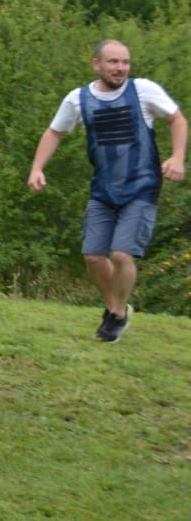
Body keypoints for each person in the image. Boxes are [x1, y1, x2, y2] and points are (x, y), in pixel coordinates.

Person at [27, 39, 186, 342]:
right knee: (93, 256)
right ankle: (118, 309)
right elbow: (54, 132)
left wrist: (177, 157)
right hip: (103, 189)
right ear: (96, 64)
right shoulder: (78, 99)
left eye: (125, 62)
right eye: (113, 62)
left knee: (123, 253)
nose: (120, 68)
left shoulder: (143, 90)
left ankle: (115, 316)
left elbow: (176, 118)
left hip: (142, 187)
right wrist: (37, 168)